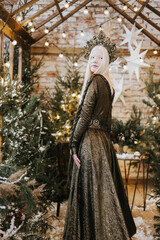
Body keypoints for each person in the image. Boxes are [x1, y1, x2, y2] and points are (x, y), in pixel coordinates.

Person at [63, 33, 136, 240]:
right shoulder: (108, 85)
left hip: (90, 142)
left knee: (90, 191)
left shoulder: (95, 81)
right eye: (92, 57)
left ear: (106, 62)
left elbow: (85, 116)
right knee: (102, 191)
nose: (94, 61)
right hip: (103, 142)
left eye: (100, 58)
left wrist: (73, 144)